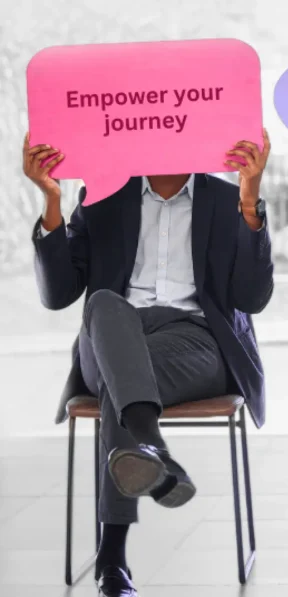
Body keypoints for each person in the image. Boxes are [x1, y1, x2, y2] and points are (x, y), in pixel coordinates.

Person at [24, 129, 274, 597]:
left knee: (122, 383)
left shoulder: (227, 198)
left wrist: (249, 206)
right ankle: (151, 445)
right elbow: (59, 294)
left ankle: (112, 558)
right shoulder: (103, 196)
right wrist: (52, 202)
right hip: (112, 334)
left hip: (195, 342)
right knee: (104, 305)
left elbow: (251, 297)